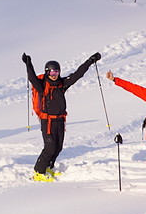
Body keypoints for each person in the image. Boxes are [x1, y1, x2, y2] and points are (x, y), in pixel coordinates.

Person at [23, 51, 101, 182]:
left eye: (56, 72)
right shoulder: (42, 86)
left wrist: (90, 61)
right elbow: (32, 77)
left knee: (58, 147)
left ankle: (48, 167)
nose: (54, 75)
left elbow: (77, 74)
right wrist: (28, 63)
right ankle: (38, 172)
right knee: (50, 147)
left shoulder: (62, 84)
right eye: (52, 73)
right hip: (47, 121)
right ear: (47, 72)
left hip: (60, 120)